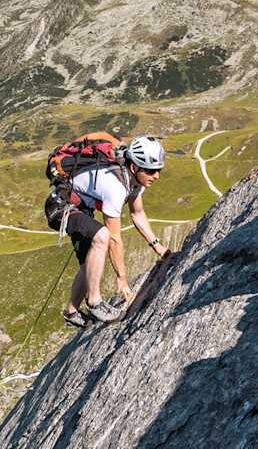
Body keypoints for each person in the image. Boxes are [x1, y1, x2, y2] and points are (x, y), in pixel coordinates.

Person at [46, 135, 171, 328]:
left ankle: (71, 313)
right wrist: (121, 278)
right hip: (60, 206)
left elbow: (137, 213)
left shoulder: (134, 180)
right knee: (102, 236)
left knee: (89, 262)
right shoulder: (116, 186)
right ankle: (94, 302)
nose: (157, 176)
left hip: (78, 207)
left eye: (159, 170)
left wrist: (158, 247)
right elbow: (114, 238)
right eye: (151, 171)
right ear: (135, 167)